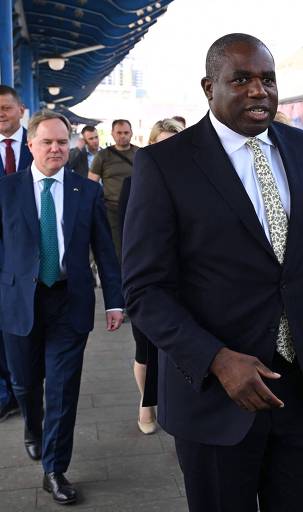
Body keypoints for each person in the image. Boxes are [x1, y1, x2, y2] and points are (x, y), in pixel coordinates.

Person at [122, 33, 303, 512]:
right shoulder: (164, 164)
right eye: (241, 79)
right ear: (210, 87)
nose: (258, 91)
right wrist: (216, 359)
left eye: (268, 79)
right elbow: (145, 291)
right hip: (216, 399)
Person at [0, 110, 124, 505]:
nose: (56, 148)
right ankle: (32, 428)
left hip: (70, 301)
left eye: (61, 142)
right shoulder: (7, 190)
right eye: (47, 141)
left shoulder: (84, 191)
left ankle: (54, 468)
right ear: (31, 145)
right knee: (24, 383)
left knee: (63, 387)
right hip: (20, 302)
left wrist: (115, 302)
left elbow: (104, 249)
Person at [118, 118, 184, 435]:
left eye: (175, 142)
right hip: (148, 283)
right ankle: (146, 404)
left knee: (178, 347)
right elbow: (126, 236)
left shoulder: (198, 183)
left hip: (184, 282)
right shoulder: (134, 183)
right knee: (145, 348)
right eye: (162, 143)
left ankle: (177, 405)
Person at [0, 85, 33, 424]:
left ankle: (26, 390)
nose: (1, 114)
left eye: (6, 108)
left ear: (20, 109)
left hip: (37, 258)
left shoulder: (37, 144)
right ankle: (6, 395)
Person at [88, 119, 138, 257]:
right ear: (112, 134)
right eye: (119, 132)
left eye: (126, 132)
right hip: (112, 210)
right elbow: (91, 184)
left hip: (135, 208)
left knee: (136, 245)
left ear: (131, 133)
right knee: (116, 248)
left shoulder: (139, 154)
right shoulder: (103, 156)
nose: (122, 136)